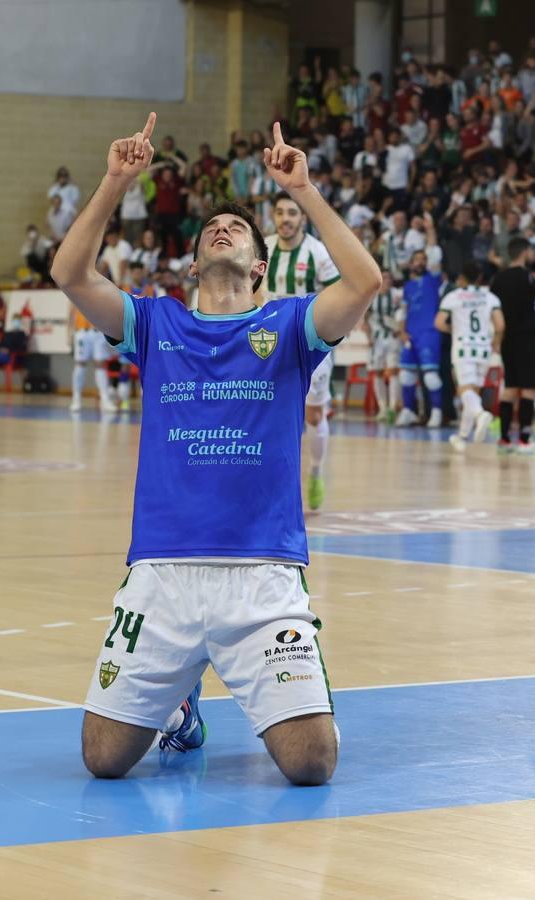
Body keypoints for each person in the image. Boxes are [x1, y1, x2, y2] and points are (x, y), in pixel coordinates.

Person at [50, 114, 378, 785]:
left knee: (311, 765)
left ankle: (288, 682)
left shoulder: (289, 325)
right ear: (193, 264)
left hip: (262, 574)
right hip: (163, 570)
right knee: (102, 761)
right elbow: (70, 273)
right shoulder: (155, 321)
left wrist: (306, 192)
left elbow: (364, 281)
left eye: (237, 229)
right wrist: (115, 181)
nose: (221, 230)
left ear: (259, 265)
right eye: (209, 233)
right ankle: (180, 704)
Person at [261, 192, 341, 511]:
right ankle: (275, 485)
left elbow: (338, 293)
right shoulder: (262, 248)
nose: (285, 219)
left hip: (310, 342)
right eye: (280, 212)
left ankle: (316, 472)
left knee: (314, 414)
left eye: (292, 213)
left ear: (303, 217)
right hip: (268, 342)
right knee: (267, 414)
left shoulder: (318, 252)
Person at [491, 237, 535, 453]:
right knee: (528, 388)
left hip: (507, 340)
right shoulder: (530, 276)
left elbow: (493, 312)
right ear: (524, 252)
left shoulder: (497, 279)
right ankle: (524, 439)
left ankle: (503, 439)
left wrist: (496, 337)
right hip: (528, 339)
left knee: (510, 388)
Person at [435, 260, 501, 451]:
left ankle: (481, 415)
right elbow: (500, 325)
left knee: (464, 390)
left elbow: (439, 323)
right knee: (472, 392)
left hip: (463, 347)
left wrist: (453, 329)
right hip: (483, 348)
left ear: (461, 278)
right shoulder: (490, 297)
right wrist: (496, 341)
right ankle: (462, 436)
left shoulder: (453, 297)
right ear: (480, 277)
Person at [395, 233, 447, 427]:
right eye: (417, 259)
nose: (420, 262)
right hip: (410, 333)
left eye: (423, 259)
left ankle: (437, 412)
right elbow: (403, 311)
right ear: (411, 264)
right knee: (405, 375)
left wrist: (431, 229)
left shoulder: (434, 280)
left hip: (429, 333)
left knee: (431, 377)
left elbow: (435, 256)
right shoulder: (407, 286)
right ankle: (409, 411)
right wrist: (401, 331)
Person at [365, 270, 403, 423]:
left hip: (393, 337)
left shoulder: (397, 295)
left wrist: (400, 329)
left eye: (389, 278)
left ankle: (393, 408)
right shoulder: (371, 295)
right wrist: (368, 337)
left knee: (394, 371)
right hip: (377, 339)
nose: (386, 280)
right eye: (384, 277)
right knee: (378, 372)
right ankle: (382, 408)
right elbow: (366, 317)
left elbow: (404, 312)